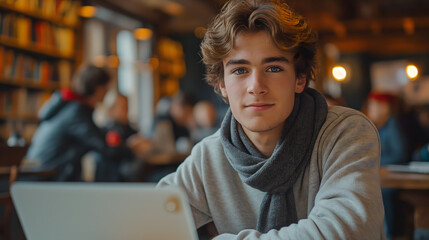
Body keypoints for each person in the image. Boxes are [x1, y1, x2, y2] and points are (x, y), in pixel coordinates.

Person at [157, 0, 384, 239]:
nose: (256, 87)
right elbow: (150, 223)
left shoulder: (346, 132)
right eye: (240, 70)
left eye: (273, 68)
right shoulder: (208, 156)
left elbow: (347, 232)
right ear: (223, 84)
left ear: (300, 78)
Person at [25, 64, 134, 181]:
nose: (106, 92)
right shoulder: (76, 112)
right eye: (106, 88)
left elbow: (96, 136)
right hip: (46, 177)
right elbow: (102, 146)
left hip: (46, 173)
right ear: (98, 88)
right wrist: (131, 148)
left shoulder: (71, 107)